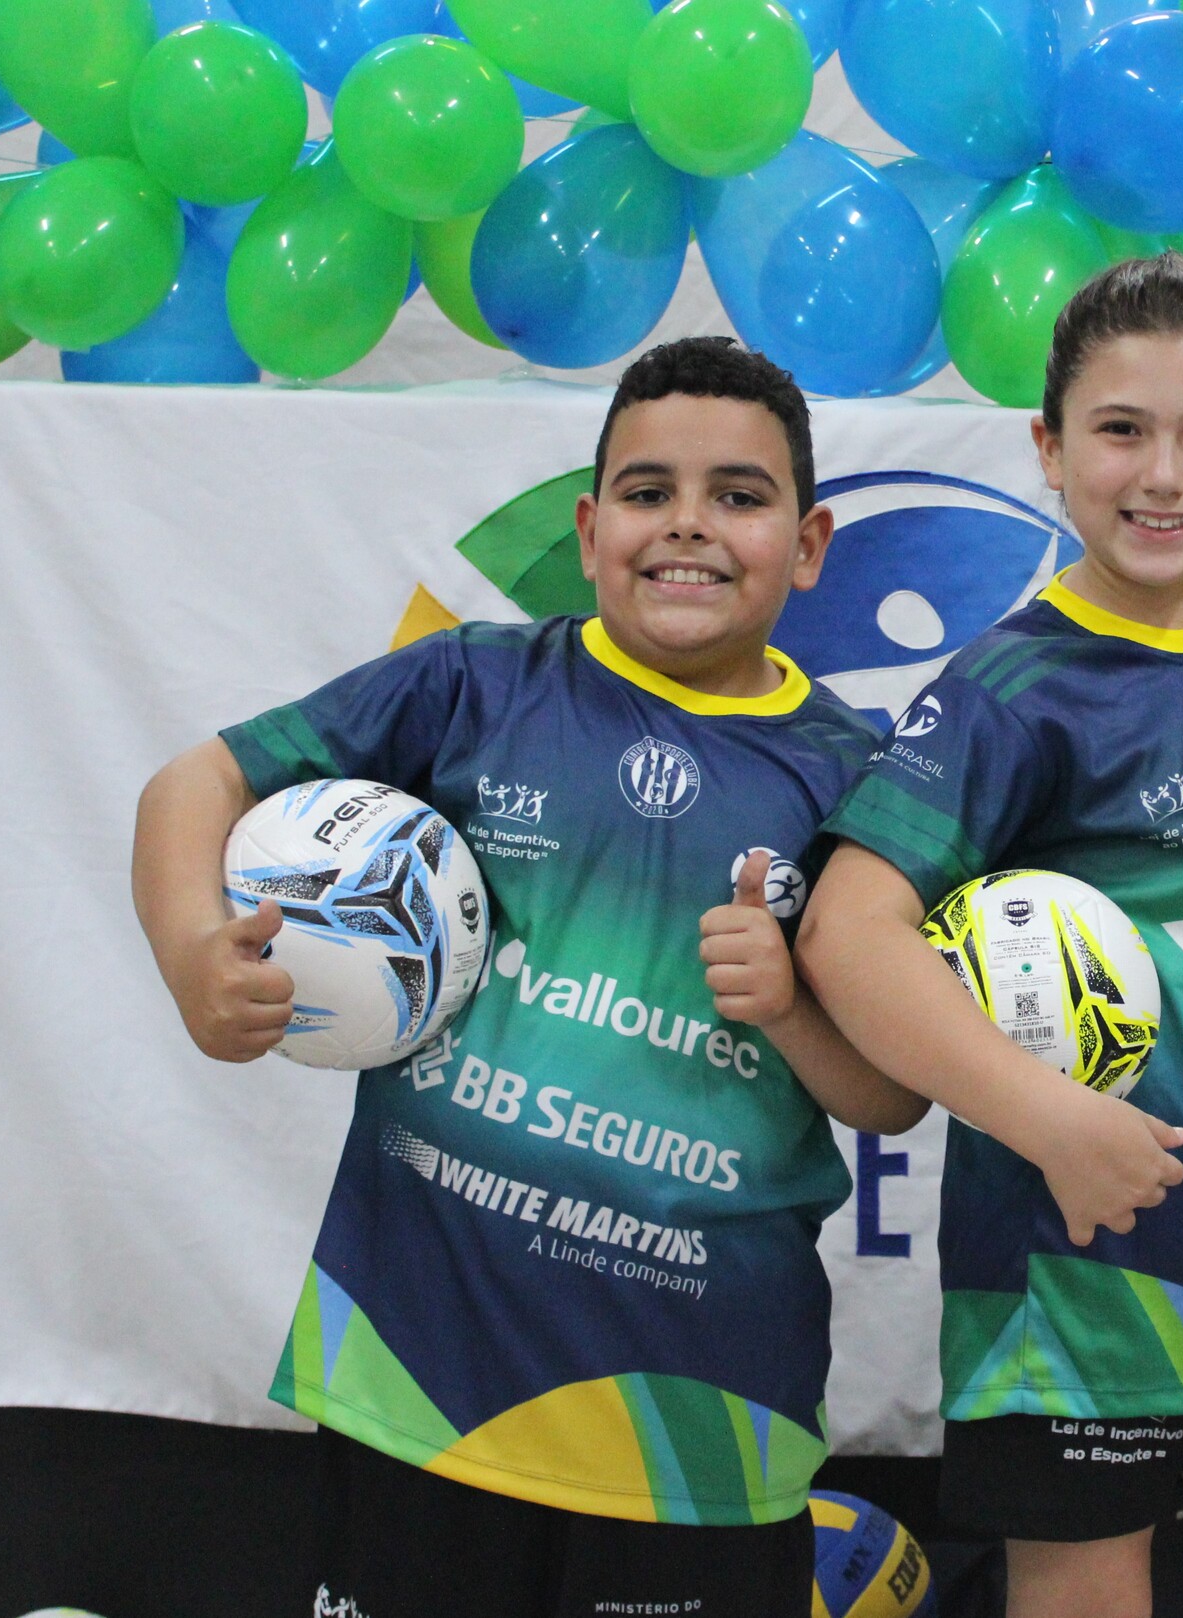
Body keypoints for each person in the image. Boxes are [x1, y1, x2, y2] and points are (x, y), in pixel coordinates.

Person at [130, 337, 925, 1618]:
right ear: (590, 527)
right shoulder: (474, 683)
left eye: (738, 495)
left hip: (699, 1424)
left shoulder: (861, 780)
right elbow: (198, 781)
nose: (689, 524)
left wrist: (786, 1007)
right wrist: (189, 952)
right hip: (415, 1380)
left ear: (811, 543)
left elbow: (892, 1094)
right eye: (649, 491)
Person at [798, 253, 1183, 1618]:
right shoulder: (1008, 689)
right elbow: (846, 931)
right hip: (1073, 1301)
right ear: (1049, 448)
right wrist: (1053, 1122)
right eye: (1120, 430)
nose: (1163, 475)